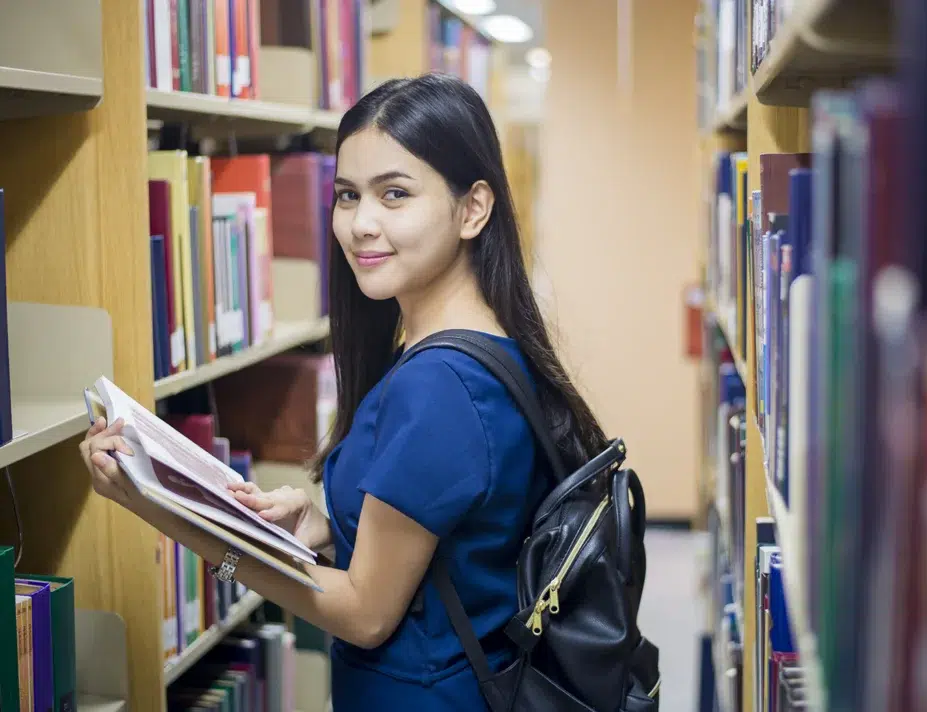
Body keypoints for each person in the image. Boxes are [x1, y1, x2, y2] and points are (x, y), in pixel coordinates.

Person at [79, 73, 608, 710]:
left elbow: (365, 615)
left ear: (473, 209)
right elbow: (462, 541)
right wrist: (328, 528)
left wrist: (171, 514)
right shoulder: (484, 349)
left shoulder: (440, 385)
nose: (361, 224)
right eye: (348, 195)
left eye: (395, 194)